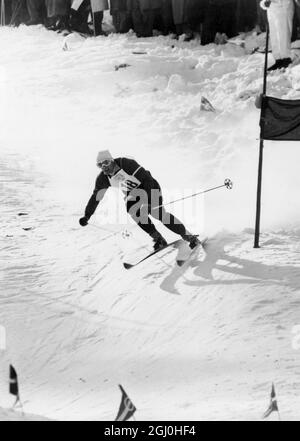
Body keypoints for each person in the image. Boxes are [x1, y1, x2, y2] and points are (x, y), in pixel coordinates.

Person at [79, 150, 200, 251]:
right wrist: (87, 215)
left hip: (149, 186)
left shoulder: (125, 163)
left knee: (157, 213)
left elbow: (147, 180)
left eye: (106, 163)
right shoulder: (103, 178)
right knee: (133, 210)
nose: (104, 167)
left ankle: (188, 236)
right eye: (100, 165)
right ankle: (158, 238)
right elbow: (96, 197)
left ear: (112, 160)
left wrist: (147, 202)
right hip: (133, 194)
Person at [260, 0, 294, 70]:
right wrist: (264, 3)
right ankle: (278, 59)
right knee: (274, 36)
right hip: (271, 11)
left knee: (283, 34)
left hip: (283, 8)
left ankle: (286, 58)